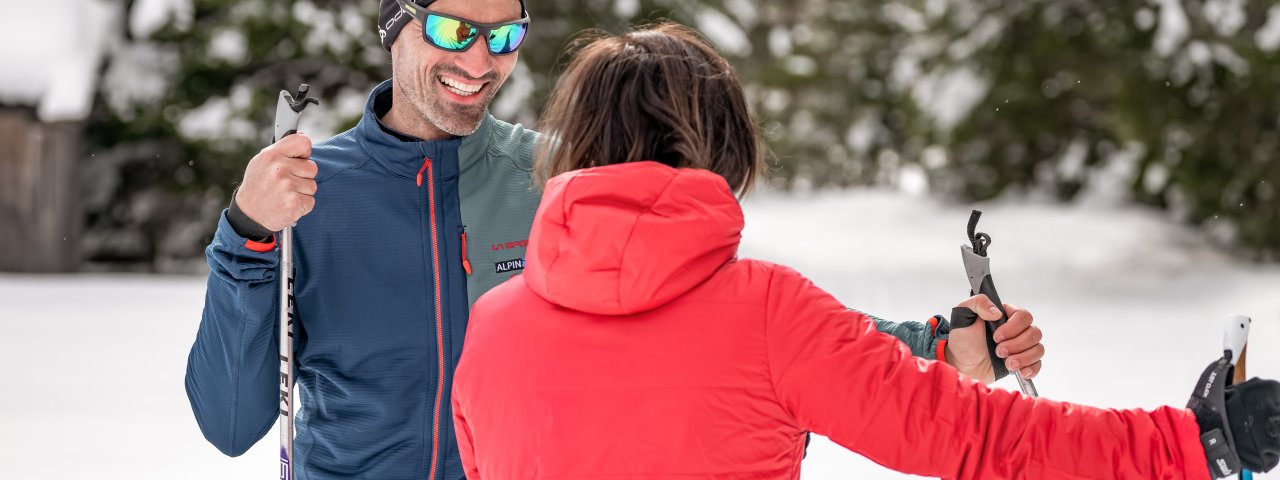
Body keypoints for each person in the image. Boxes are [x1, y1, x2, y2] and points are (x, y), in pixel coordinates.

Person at [185, 1, 1046, 479]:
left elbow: (728, 325)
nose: (480, 61)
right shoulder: (308, 195)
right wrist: (248, 237)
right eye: (454, 30)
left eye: (505, 36)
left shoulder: (561, 181)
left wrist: (933, 346)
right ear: (394, 26)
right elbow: (232, 423)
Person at [450, 23, 1280, 479]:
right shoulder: (766, 310)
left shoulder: (490, 325)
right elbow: (980, 441)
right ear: (721, 147)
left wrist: (937, 344)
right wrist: (1189, 441)